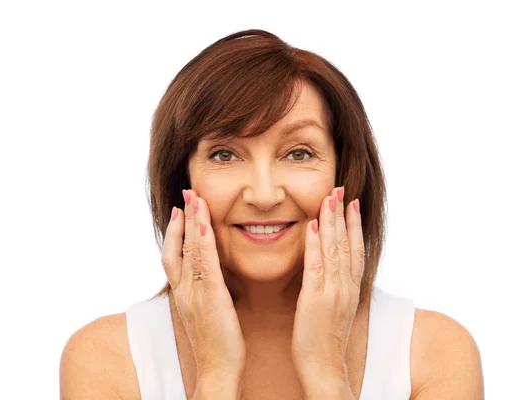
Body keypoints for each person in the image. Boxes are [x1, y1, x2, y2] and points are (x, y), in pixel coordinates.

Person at [59, 29, 484, 399]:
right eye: (225, 154)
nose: (263, 195)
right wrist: (216, 374)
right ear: (182, 180)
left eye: (298, 153)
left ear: (345, 173)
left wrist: (325, 372)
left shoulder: (433, 355)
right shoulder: (107, 359)